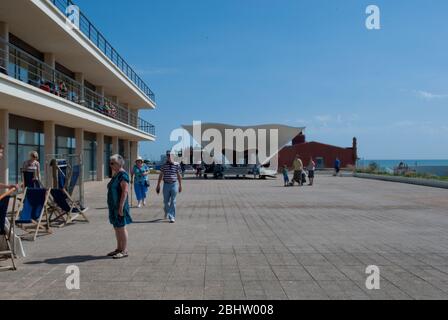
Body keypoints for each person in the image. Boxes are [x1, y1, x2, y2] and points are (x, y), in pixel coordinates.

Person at [107, 154, 132, 259]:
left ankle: (124, 250)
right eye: (110, 163)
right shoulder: (115, 174)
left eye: (113, 163)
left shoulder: (123, 175)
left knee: (121, 227)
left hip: (119, 206)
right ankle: (119, 248)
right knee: (116, 227)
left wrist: (121, 207)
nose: (110, 165)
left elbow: (125, 191)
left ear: (119, 163)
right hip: (113, 206)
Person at [156, 151, 183, 223]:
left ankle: (172, 217)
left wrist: (180, 185)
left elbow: (179, 175)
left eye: (170, 155)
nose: (169, 157)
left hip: (174, 184)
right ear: (166, 156)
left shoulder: (177, 165)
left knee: (173, 201)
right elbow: (161, 175)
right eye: (168, 155)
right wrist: (158, 185)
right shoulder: (164, 165)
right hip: (166, 185)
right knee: (165, 202)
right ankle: (167, 211)